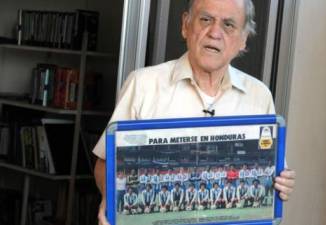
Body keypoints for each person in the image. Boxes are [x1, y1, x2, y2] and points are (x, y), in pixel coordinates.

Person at [94, 0, 296, 223]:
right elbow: (105, 164)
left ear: (243, 39)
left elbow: (272, 171)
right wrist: (109, 198)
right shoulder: (143, 84)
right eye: (206, 20)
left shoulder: (259, 96)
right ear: (185, 25)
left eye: (228, 25)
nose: (215, 33)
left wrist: (281, 182)